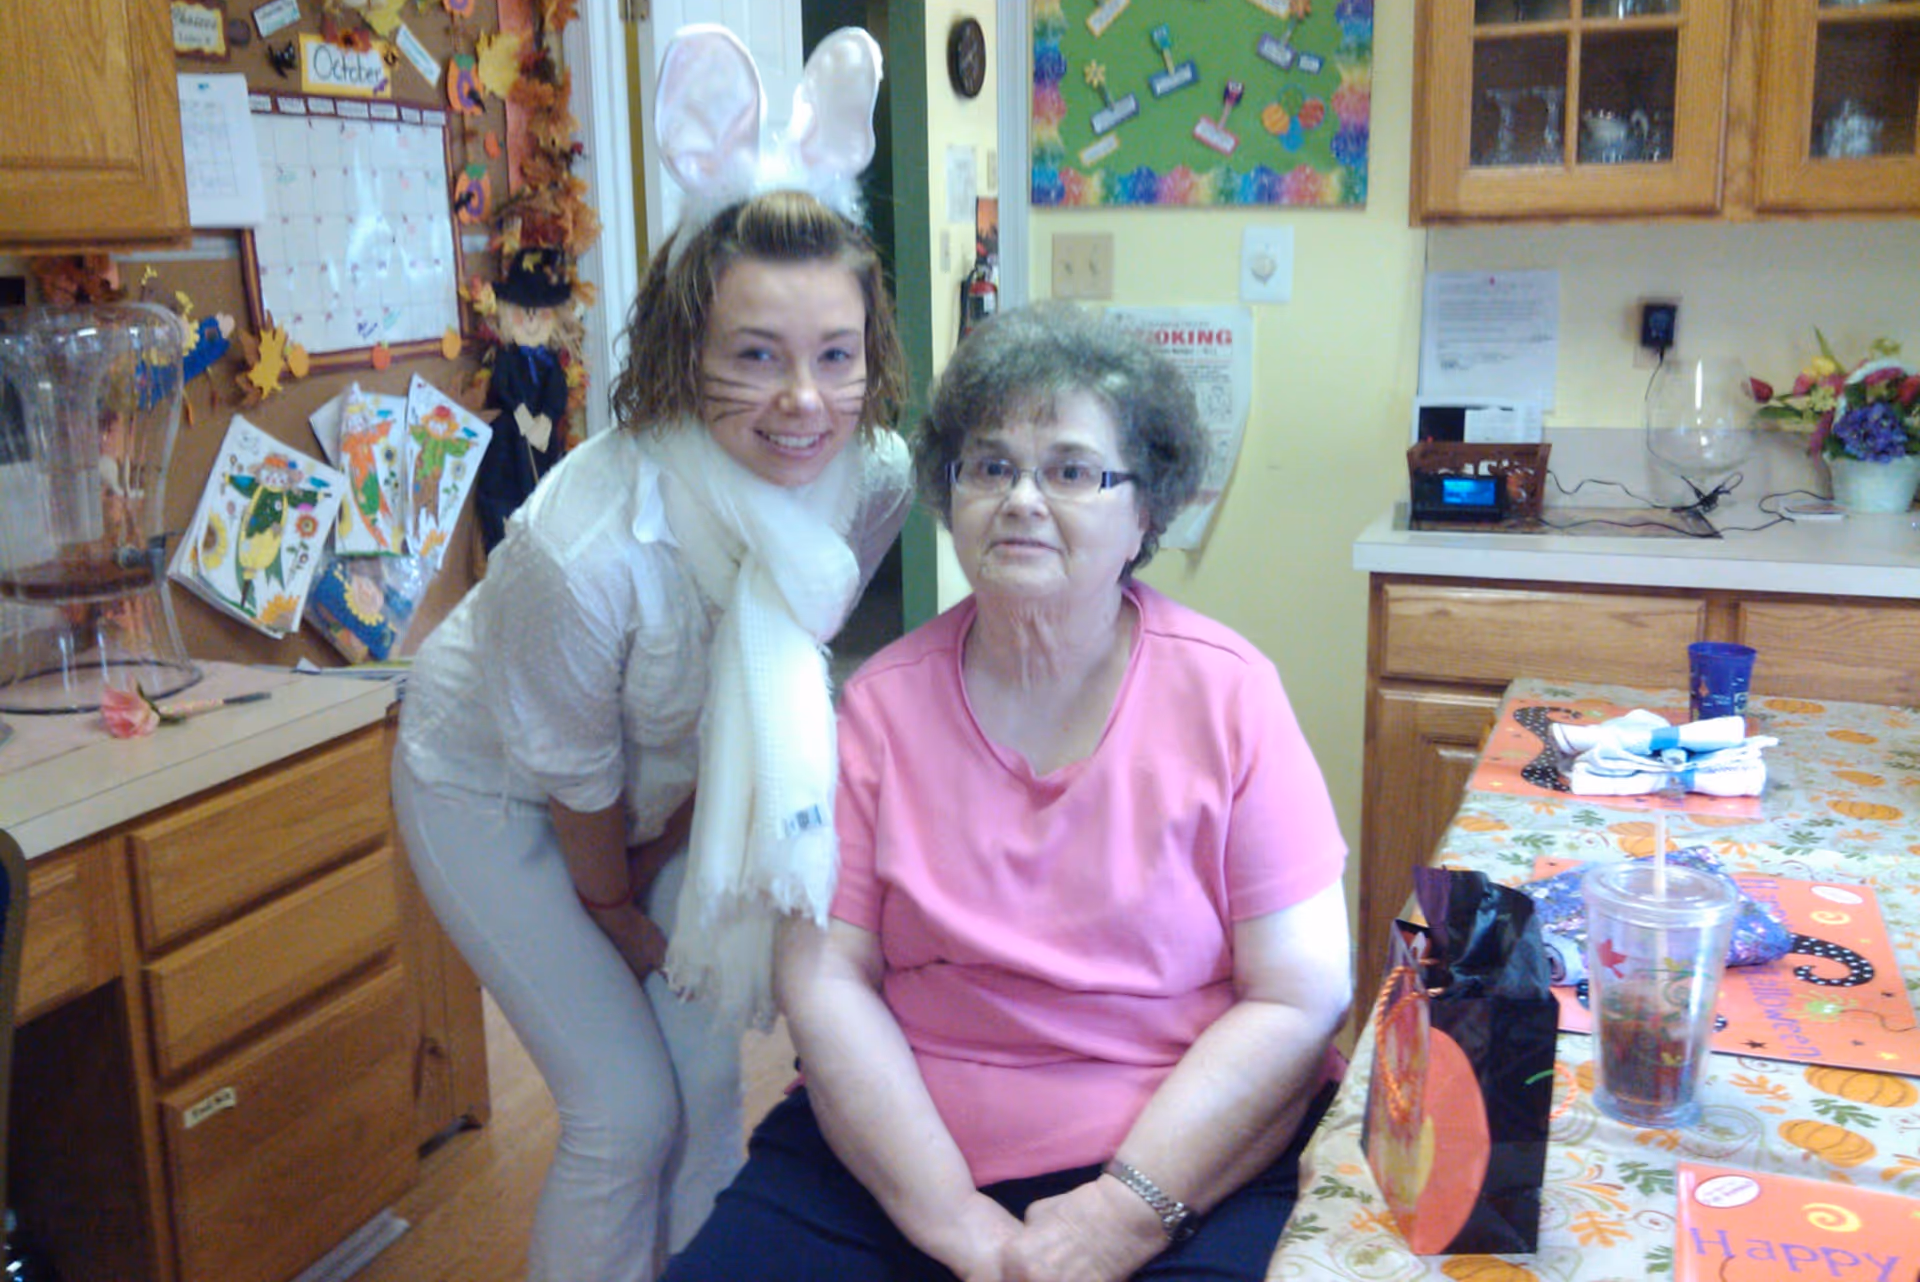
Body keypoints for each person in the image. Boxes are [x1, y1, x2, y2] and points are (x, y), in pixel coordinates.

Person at [664, 305, 1352, 1282]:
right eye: (990, 467)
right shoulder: (879, 708)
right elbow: (824, 978)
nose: (1023, 498)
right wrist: (949, 1216)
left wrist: (1125, 1212)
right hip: (901, 1154)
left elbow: (1301, 992)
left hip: (1184, 1157)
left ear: (1144, 512)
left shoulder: (1231, 695)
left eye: (1071, 470)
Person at [391, 187, 913, 1282]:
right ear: (685, 351)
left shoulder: (875, 480)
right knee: (622, 1112)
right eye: (757, 355)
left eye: (836, 354)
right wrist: (625, 917)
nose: (804, 401)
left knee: (706, 1084)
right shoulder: (582, 551)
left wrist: (675, 847)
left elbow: (777, 669)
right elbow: (577, 787)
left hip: (680, 790)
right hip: (496, 790)